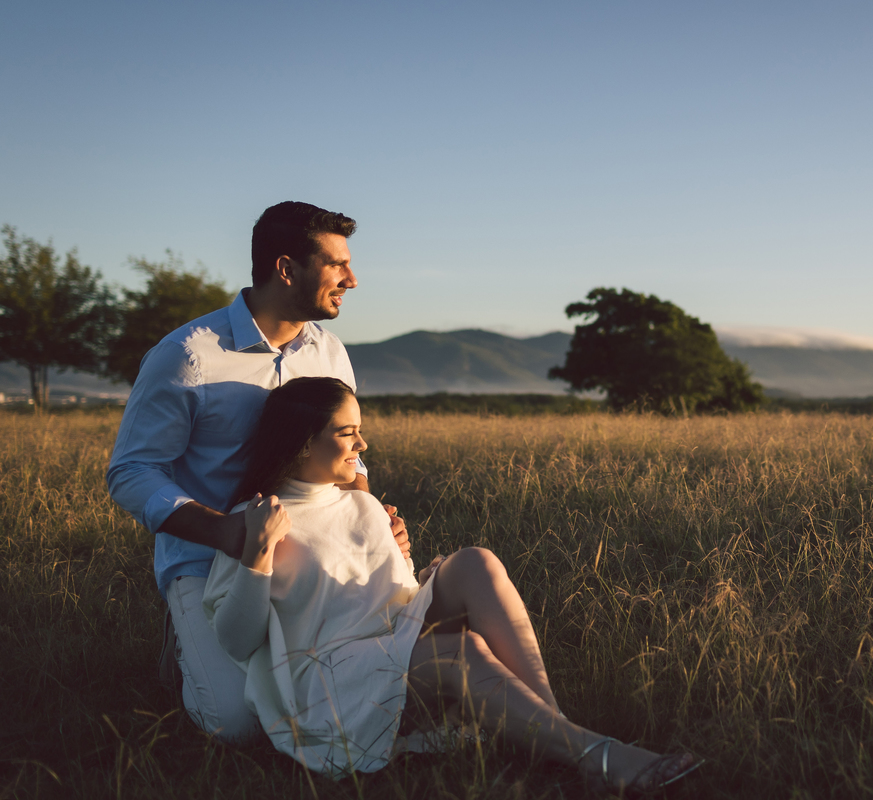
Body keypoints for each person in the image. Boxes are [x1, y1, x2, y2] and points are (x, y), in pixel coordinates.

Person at [202, 377, 702, 793]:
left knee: (474, 562)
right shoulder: (256, 520)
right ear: (303, 442)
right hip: (330, 682)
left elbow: (391, 599)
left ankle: (553, 729)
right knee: (459, 653)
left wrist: (422, 580)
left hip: (388, 647)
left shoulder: (361, 505)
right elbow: (237, 642)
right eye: (348, 432)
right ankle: (598, 756)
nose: (363, 445)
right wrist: (257, 555)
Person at [106, 202, 409, 744]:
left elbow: (345, 455)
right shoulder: (186, 357)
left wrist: (372, 517)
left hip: (315, 561)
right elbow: (132, 473)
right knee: (237, 724)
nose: (353, 279)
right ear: (287, 268)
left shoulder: (330, 353)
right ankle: (184, 641)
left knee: (376, 682)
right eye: (336, 264)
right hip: (208, 563)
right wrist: (223, 530)